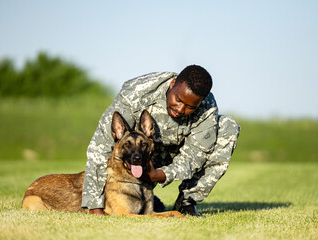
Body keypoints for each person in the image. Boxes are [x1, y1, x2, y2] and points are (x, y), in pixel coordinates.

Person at [82, 65, 240, 216]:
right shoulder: (138, 91)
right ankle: (132, 197)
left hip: (170, 160)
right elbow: (101, 147)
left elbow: (195, 156)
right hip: (138, 156)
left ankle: (187, 203)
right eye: (178, 99)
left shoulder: (207, 108)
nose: (180, 109)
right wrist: (95, 205)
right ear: (172, 84)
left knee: (228, 127)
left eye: (190, 107)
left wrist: (160, 174)